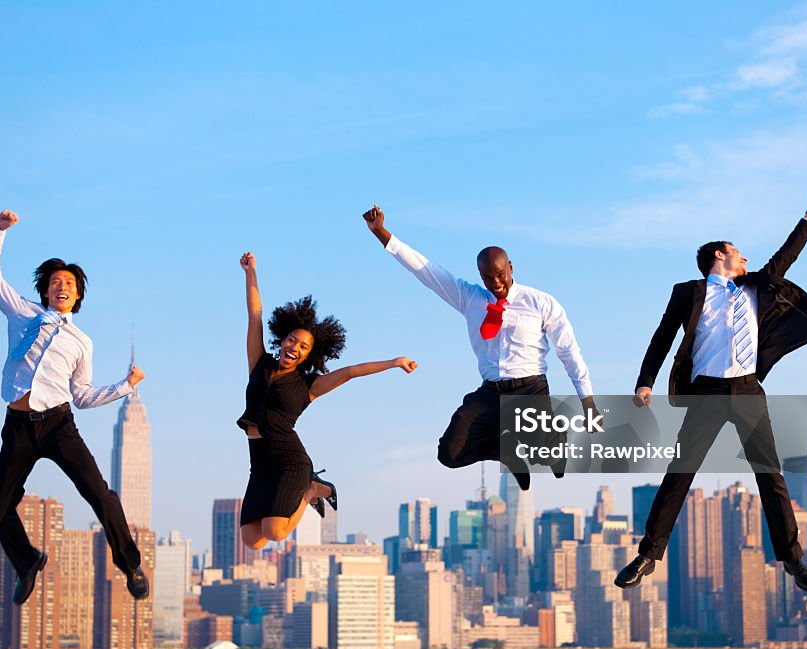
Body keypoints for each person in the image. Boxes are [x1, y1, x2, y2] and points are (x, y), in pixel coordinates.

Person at [615, 192, 807, 592]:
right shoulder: (688, 293)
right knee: (679, 473)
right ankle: (647, 556)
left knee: (771, 474)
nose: (746, 259)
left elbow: (786, 256)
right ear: (719, 254)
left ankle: (794, 560)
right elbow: (661, 339)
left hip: (748, 391)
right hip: (707, 393)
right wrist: (645, 381)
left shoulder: (756, 287)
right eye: (739, 252)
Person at [362, 205, 599, 490]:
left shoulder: (541, 302)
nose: (496, 283)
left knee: (548, 454)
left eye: (501, 274)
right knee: (449, 453)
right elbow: (423, 268)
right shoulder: (469, 297)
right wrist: (381, 233)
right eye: (488, 277)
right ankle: (504, 452)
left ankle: (552, 442)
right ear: (480, 274)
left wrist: (587, 400)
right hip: (491, 392)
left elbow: (568, 351)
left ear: (511, 267)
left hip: (530, 390)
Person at [0, 210, 149, 605]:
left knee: (100, 494)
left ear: (77, 295)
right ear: (45, 290)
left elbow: (83, 395)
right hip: (19, 426)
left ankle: (131, 566)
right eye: (55, 282)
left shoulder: (81, 342)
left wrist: (126, 386)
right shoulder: (22, 312)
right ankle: (27, 563)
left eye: (69, 284)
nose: (62, 287)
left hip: (58, 424)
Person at [237, 252, 417, 549]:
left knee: (275, 532)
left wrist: (395, 362)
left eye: (303, 346)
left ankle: (310, 490)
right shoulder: (259, 363)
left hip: (289, 461)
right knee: (252, 541)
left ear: (309, 355)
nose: (294, 347)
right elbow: (255, 313)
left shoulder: (308, 385)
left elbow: (350, 373)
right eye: (291, 340)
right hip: (259, 462)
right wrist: (251, 273)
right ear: (282, 339)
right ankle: (310, 489)